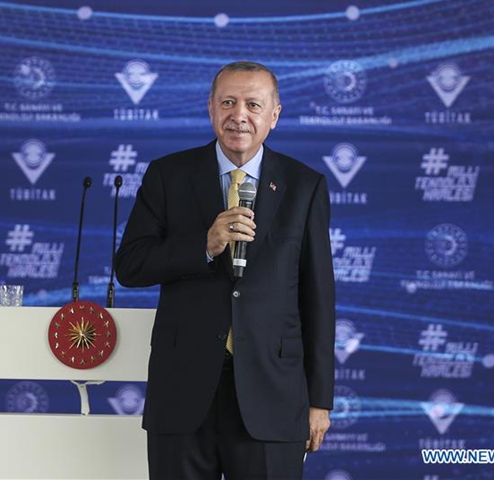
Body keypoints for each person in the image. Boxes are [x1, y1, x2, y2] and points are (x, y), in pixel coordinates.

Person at [115, 61, 335, 480]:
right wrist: (203, 245)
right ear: (211, 108)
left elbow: (318, 299)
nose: (239, 115)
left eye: (253, 104)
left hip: (272, 396)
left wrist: (319, 401)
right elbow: (131, 265)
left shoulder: (304, 186)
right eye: (228, 102)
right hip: (183, 393)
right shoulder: (168, 175)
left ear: (274, 115)